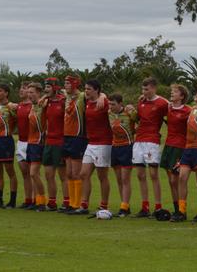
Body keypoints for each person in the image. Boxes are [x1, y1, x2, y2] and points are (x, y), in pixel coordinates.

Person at [69, 80, 112, 215]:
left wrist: (103, 96)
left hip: (103, 143)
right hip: (91, 143)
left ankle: (103, 205)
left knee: (102, 176)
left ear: (97, 90)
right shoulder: (87, 102)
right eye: (85, 89)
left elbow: (113, 108)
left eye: (89, 89)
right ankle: (84, 205)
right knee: (83, 174)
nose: (86, 91)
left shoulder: (103, 102)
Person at [133, 77, 169, 218]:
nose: (144, 92)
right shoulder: (141, 101)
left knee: (153, 175)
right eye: (143, 89)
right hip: (139, 140)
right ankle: (145, 206)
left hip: (152, 141)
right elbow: (138, 119)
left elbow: (171, 117)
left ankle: (158, 207)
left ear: (154, 88)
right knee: (140, 175)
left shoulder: (162, 103)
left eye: (147, 89)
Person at [171, 89, 197, 222]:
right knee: (182, 177)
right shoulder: (191, 109)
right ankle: (182, 211)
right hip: (187, 148)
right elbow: (173, 105)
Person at [160, 84, 191, 215]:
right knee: (170, 181)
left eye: (175, 92)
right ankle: (176, 209)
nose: (172, 93)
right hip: (168, 146)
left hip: (180, 147)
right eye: (172, 91)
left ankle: (181, 209)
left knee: (175, 179)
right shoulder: (168, 108)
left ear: (182, 96)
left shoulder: (188, 110)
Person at [0, 84, 18, 208]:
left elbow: (19, 119)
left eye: (0, 91)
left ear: (6, 93)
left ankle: (12, 200)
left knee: (10, 171)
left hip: (6, 140)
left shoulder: (11, 106)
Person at [42, 78, 69, 211]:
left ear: (55, 87)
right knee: (48, 174)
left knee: (62, 175)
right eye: (45, 87)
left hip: (60, 141)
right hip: (49, 141)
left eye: (48, 87)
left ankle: (66, 202)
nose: (46, 89)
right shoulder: (46, 102)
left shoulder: (63, 101)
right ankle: (51, 202)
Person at [108, 93, 136, 217]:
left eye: (113, 104)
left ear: (120, 103)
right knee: (119, 178)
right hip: (115, 147)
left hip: (127, 147)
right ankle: (124, 205)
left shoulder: (129, 113)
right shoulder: (108, 113)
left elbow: (139, 121)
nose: (111, 106)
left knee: (125, 178)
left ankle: (124, 206)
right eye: (109, 104)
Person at [26, 82, 47, 211]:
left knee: (34, 173)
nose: (29, 95)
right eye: (28, 92)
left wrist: (44, 97)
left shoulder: (43, 104)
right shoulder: (32, 106)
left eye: (32, 92)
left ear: (39, 93)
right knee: (33, 174)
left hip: (39, 143)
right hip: (31, 142)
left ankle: (42, 201)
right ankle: (36, 201)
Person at [15, 82, 34, 209]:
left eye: (25, 88)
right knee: (25, 173)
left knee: (33, 173)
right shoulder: (18, 106)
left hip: (32, 142)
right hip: (20, 142)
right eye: (21, 88)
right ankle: (28, 200)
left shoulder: (35, 106)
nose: (22, 90)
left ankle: (37, 200)